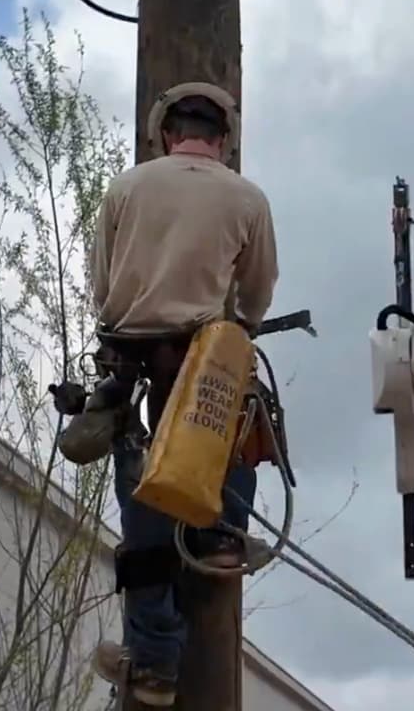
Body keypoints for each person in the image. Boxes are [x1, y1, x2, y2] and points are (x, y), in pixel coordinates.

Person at [86, 82, 279, 707]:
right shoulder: (246, 197)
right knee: (234, 421)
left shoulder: (126, 187)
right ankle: (222, 536)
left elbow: (102, 278)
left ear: (168, 133)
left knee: (144, 513)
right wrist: (239, 326)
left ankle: (156, 667)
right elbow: (257, 290)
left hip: (132, 359)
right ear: (223, 138)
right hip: (202, 362)